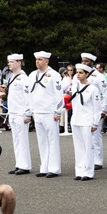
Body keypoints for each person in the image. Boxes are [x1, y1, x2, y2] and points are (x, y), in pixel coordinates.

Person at [27, 50, 64, 178]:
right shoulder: (32, 75)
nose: (37, 62)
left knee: (53, 140)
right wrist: (31, 111)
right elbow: (30, 94)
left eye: (40, 59)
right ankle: (44, 166)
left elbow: (59, 94)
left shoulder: (54, 75)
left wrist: (58, 111)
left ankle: (54, 168)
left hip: (50, 112)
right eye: (36, 59)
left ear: (47, 61)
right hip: (38, 112)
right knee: (42, 141)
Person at [68, 63, 103, 181]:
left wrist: (95, 123)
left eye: (81, 73)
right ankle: (79, 170)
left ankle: (88, 172)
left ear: (87, 74)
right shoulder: (75, 87)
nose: (78, 75)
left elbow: (96, 107)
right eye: (77, 72)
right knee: (78, 147)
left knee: (88, 147)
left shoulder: (93, 89)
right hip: (76, 120)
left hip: (87, 121)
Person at [80, 53, 107, 170]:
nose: (84, 63)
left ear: (92, 63)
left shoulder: (98, 76)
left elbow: (106, 94)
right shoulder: (80, 75)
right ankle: (87, 159)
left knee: (95, 136)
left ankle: (97, 160)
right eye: (82, 61)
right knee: (84, 137)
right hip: (83, 110)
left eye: (86, 61)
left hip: (95, 110)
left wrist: (103, 109)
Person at [4, 53, 32, 175]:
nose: (9, 64)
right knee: (16, 140)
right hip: (13, 112)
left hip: (21, 113)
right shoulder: (11, 77)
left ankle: (25, 165)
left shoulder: (24, 78)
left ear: (19, 63)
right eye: (8, 62)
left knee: (22, 140)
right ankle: (19, 164)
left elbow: (28, 97)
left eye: (11, 61)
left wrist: (28, 113)